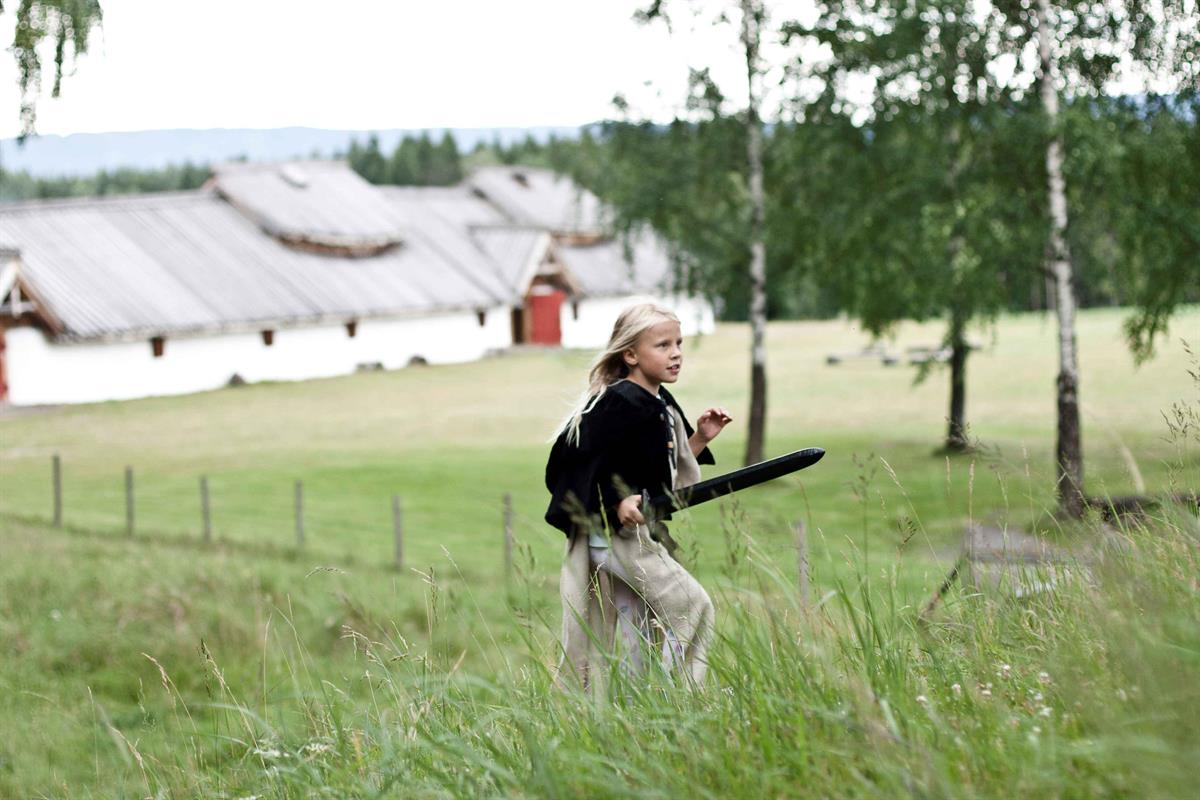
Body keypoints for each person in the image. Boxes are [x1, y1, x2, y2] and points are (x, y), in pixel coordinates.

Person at [544, 302, 732, 693]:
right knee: (691, 605)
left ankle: (636, 706)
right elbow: (576, 457)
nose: (676, 352)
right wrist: (616, 500)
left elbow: (658, 476)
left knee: (637, 629)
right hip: (615, 538)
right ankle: (680, 699)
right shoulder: (618, 400)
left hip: (624, 537)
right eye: (662, 345)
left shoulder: (658, 403)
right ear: (630, 354)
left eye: (678, 343)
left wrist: (698, 439)